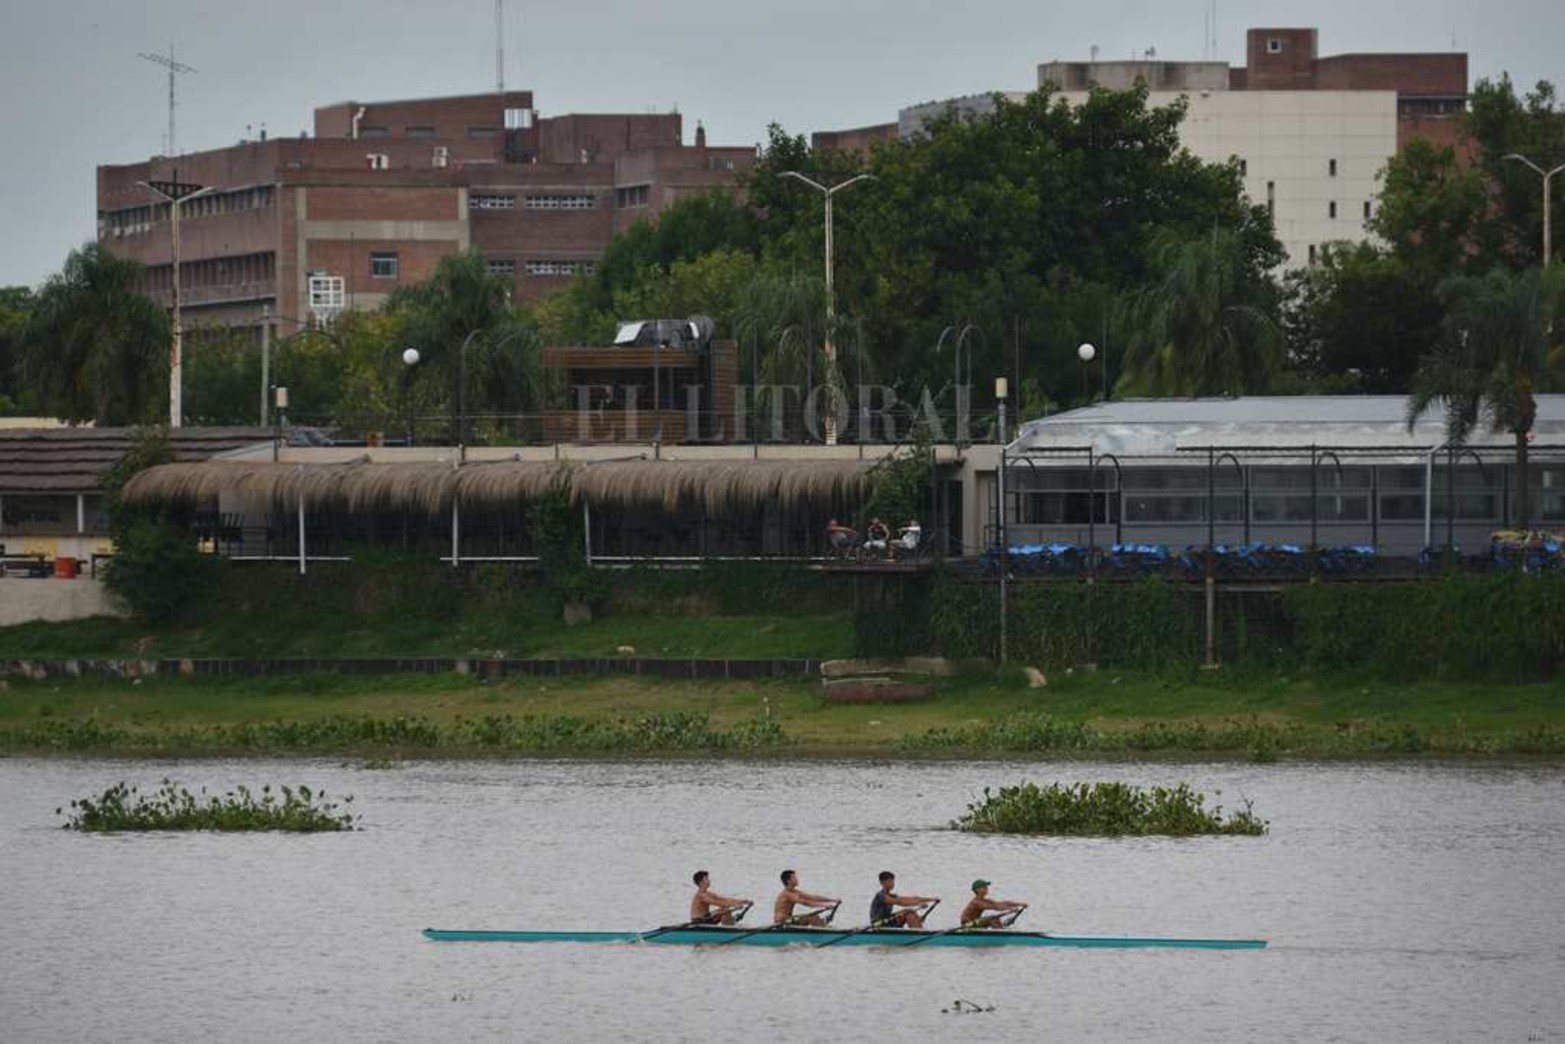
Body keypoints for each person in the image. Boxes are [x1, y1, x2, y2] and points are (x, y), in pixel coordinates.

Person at [869, 870, 937, 929]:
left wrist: (932, 899)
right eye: (889, 881)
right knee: (908, 911)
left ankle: (918, 928)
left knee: (910, 912)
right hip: (879, 925)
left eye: (893, 881)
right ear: (882, 882)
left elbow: (913, 898)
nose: (892, 884)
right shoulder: (880, 896)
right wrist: (919, 904)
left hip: (888, 921)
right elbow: (900, 902)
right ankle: (919, 933)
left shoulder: (892, 895)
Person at [773, 870, 840, 927]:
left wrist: (833, 900)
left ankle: (822, 928)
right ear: (788, 881)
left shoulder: (794, 891)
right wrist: (824, 905)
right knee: (812, 917)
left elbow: (813, 897)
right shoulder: (787, 894)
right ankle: (825, 932)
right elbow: (806, 902)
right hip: (782, 922)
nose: (797, 879)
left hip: (788, 919)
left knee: (813, 916)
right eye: (794, 877)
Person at [959, 879, 1027, 929]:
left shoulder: (984, 900)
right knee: (993, 919)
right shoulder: (976, 902)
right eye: (984, 887)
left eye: (987, 887)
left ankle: (1000, 933)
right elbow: (995, 907)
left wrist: (1020, 904)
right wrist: (1011, 909)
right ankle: (1001, 936)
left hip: (975, 922)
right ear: (977, 890)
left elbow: (1002, 903)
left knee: (995, 918)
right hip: (967, 924)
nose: (987, 888)